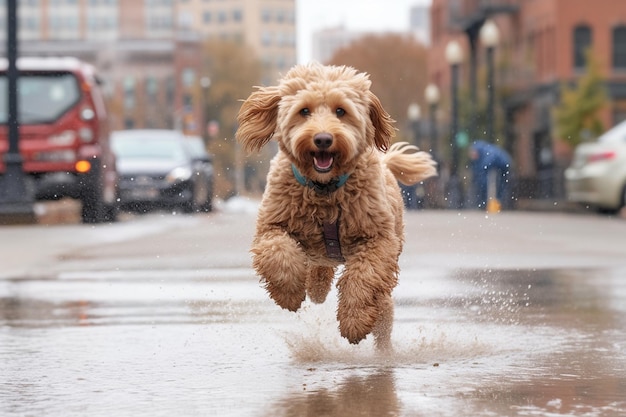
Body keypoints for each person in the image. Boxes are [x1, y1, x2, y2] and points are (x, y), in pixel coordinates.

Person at [468, 140, 513, 210]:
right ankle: (493, 202)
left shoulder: (488, 153)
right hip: (502, 165)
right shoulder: (483, 153)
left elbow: (484, 166)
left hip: (504, 165)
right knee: (497, 184)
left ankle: (499, 202)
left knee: (501, 185)